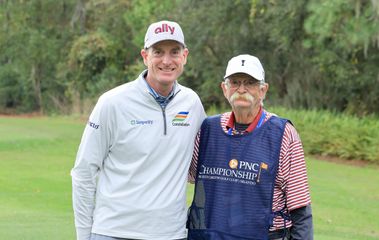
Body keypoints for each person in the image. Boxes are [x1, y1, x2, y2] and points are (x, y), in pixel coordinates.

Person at [71, 20, 206, 240]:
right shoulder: (112, 103)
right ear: (145, 56)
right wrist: (84, 235)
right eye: (158, 52)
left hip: (171, 234)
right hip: (113, 232)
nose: (166, 60)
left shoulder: (191, 103)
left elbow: (204, 164)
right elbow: (84, 172)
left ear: (185, 56)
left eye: (174, 52)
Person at [187, 54, 313, 240]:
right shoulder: (207, 130)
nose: (241, 89)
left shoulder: (282, 133)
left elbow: (299, 205)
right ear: (225, 88)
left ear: (263, 90)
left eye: (250, 83)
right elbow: (185, 176)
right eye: (235, 82)